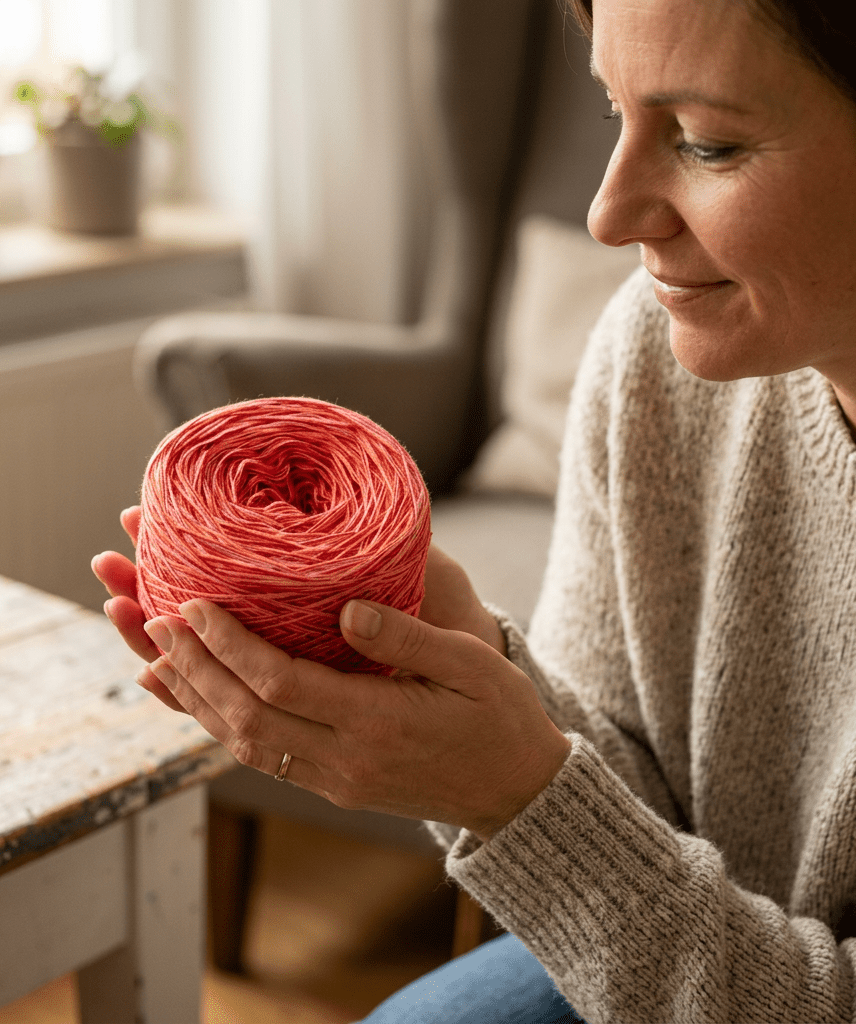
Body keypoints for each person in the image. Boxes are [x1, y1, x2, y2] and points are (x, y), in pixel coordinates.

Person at [92, 0, 856, 1018]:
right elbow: (637, 796)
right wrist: (472, 681)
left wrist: (515, 796)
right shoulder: (650, 353)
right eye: (611, 114)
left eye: (706, 142)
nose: (606, 214)